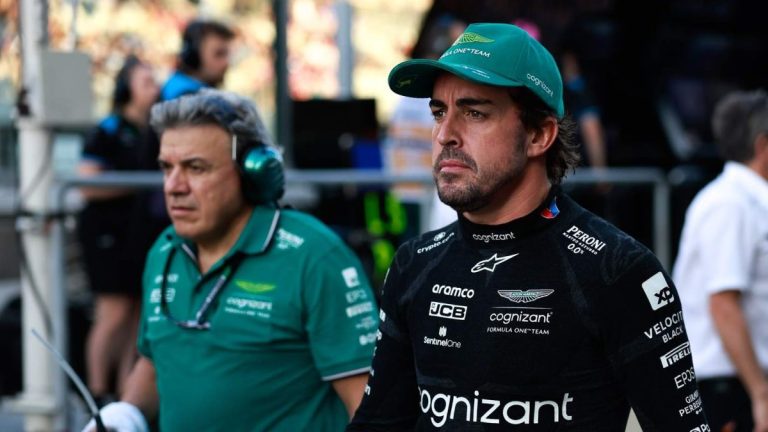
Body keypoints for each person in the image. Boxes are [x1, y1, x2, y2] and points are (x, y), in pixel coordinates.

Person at [348, 23, 709, 431]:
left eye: (474, 113)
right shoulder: (414, 264)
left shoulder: (617, 270)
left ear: (539, 134)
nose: (445, 134)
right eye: (439, 113)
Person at [83, 90, 378, 431]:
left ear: (254, 172)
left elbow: (367, 406)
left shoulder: (314, 257)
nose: (173, 187)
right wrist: (127, 413)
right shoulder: (164, 251)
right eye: (167, 168)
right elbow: (157, 360)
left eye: (195, 168)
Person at [673, 90, 768, 432]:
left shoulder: (746, 202)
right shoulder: (730, 204)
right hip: (726, 388)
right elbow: (723, 304)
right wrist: (761, 393)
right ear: (762, 145)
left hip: (740, 384)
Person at [78, 55, 160, 404]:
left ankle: (127, 394)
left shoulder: (153, 132)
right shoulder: (108, 129)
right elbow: (88, 184)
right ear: (127, 89)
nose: (155, 88)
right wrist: (138, 183)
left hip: (139, 234)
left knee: (138, 312)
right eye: (146, 82)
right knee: (113, 313)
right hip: (106, 234)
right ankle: (97, 392)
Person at [159, 19, 234, 101]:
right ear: (194, 57)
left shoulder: (185, 87)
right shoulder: (186, 97)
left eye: (227, 54)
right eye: (219, 54)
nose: (226, 62)